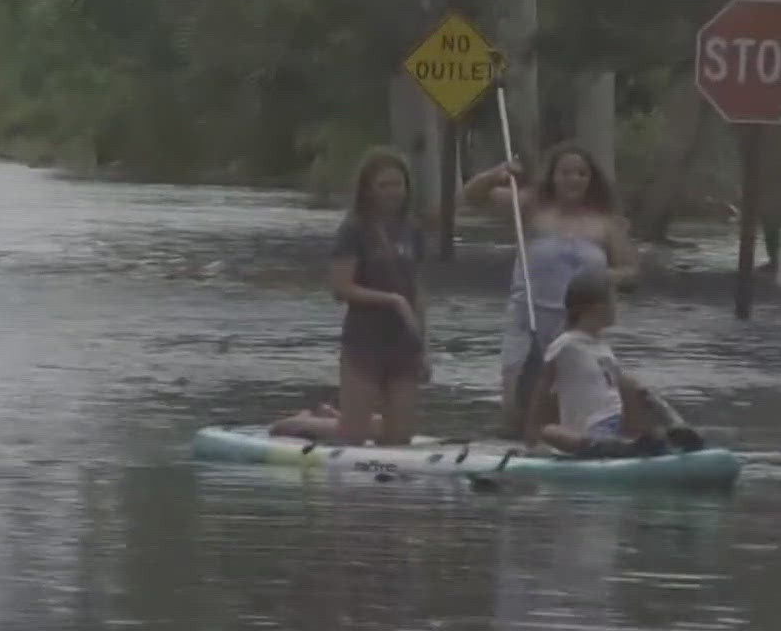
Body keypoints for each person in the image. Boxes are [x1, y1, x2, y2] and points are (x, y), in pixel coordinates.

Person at [462, 141, 638, 433]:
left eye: (581, 173)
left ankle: (566, 448)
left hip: (577, 326)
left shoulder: (605, 223)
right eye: (566, 173)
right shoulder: (531, 207)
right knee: (518, 403)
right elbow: (471, 196)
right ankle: (514, 448)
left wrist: (604, 277)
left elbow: (631, 270)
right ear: (553, 177)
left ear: (590, 179)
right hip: (527, 319)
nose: (574, 179)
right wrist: (496, 174)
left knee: (565, 402)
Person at [272, 148, 428, 446]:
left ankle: (328, 416)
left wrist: (425, 344)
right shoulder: (354, 230)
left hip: (404, 344)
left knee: (399, 438)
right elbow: (341, 288)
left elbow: (418, 289)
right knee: (353, 437)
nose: (393, 192)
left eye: (398, 184)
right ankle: (308, 424)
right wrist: (393, 300)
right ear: (368, 190)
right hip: (364, 341)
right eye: (384, 185)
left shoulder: (412, 230)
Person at [524, 271, 666, 456]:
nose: (618, 307)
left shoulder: (602, 347)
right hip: (592, 430)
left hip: (621, 425)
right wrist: (532, 435)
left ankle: (645, 443)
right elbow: (543, 388)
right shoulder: (565, 344)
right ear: (597, 307)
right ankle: (603, 447)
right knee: (549, 432)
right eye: (615, 300)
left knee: (630, 385)